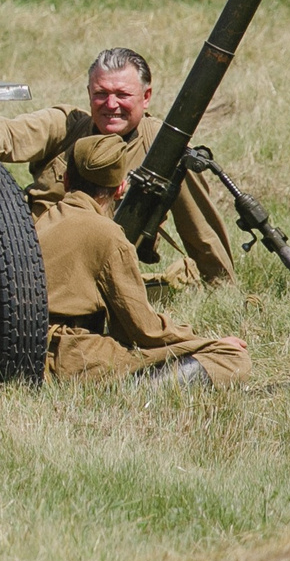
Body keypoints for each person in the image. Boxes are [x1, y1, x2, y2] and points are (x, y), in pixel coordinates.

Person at [0, 47, 237, 286]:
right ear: (88, 93)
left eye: (122, 94)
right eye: (101, 93)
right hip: (31, 261)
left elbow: (201, 230)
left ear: (146, 96)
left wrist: (221, 286)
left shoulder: (164, 149)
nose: (111, 104)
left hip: (101, 270)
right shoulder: (67, 125)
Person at [39, 135, 250, 388]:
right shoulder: (108, 235)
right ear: (120, 188)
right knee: (231, 358)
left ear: (66, 180)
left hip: (26, 348)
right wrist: (203, 342)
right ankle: (137, 390)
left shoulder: (42, 221)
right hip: (67, 357)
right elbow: (144, 331)